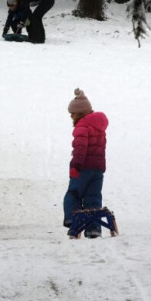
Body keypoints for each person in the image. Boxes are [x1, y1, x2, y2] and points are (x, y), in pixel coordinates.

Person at [63, 88, 108, 238]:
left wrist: (76, 166)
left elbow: (80, 148)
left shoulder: (82, 126)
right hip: (98, 168)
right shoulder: (99, 127)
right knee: (93, 197)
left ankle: (73, 220)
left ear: (80, 113)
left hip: (83, 168)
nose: (71, 116)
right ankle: (93, 228)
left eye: (73, 113)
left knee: (73, 193)